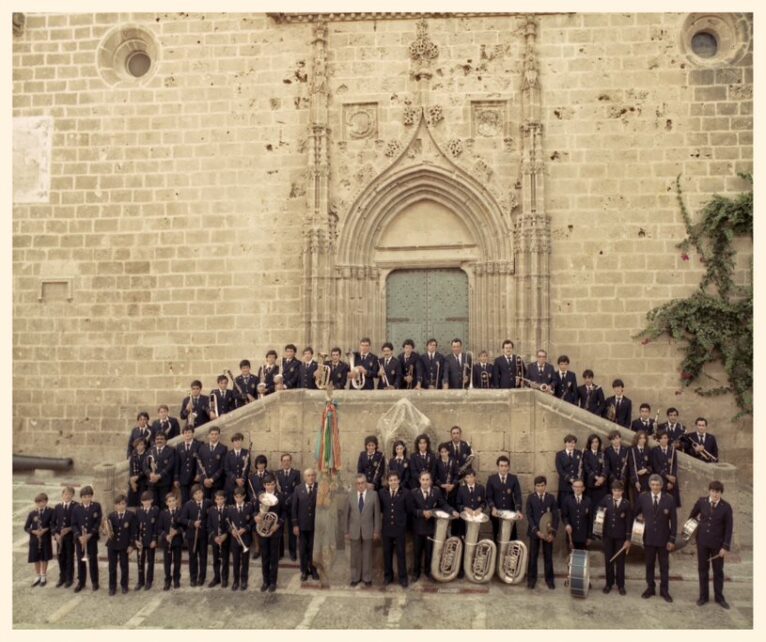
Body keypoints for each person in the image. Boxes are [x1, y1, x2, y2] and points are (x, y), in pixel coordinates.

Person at [689, 480, 733, 609]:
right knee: (703, 570)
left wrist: (725, 547)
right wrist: (693, 533)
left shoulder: (726, 507)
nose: (715, 494)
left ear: (721, 493)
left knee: (718, 571)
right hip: (702, 543)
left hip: (717, 545)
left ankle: (719, 597)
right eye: (713, 491)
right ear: (709, 491)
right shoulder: (702, 502)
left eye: (717, 492)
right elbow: (692, 517)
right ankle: (703, 597)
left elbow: (729, 528)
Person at [635, 474, 677, 602]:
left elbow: (674, 521)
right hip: (648, 538)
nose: (655, 487)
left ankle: (664, 591)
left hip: (664, 540)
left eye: (658, 485)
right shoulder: (643, 497)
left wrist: (672, 539)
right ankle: (650, 588)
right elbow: (635, 513)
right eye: (653, 485)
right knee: (649, 565)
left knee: (664, 566)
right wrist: (638, 527)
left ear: (661, 486)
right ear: (649, 485)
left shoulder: (669, 499)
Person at [409, 471, 457, 582]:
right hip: (418, 527)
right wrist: (422, 513)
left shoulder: (436, 491)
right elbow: (411, 509)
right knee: (417, 552)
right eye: (423, 480)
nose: (425, 482)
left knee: (429, 551)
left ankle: (428, 571)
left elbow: (443, 504)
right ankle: (416, 573)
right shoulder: (414, 492)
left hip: (431, 528)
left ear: (430, 481)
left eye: (427, 480)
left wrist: (452, 511)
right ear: (419, 481)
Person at [343, 474, 381, 587]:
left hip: (368, 530)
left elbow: (377, 515)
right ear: (356, 485)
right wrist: (346, 531)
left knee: (367, 554)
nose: (360, 485)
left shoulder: (373, 495)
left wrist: (376, 531)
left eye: (362, 482)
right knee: (355, 555)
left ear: (366, 483)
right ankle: (355, 577)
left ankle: (367, 577)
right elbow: (346, 515)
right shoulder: (350, 496)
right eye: (358, 483)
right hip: (353, 530)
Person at [598, 480, 632, 595]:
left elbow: (628, 522)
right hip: (608, 536)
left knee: (620, 561)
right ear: (612, 491)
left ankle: (621, 585)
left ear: (622, 492)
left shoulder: (626, 504)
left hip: (620, 537)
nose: (616, 493)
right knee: (609, 560)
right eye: (614, 490)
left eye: (619, 491)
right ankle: (609, 583)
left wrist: (628, 539)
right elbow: (599, 512)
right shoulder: (606, 500)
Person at [525, 476, 559, 590]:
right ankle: (531, 580)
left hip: (548, 533)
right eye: (538, 486)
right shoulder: (530, 498)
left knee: (548, 556)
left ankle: (549, 580)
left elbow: (555, 517)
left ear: (545, 486)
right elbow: (529, 516)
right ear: (535, 486)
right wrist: (536, 530)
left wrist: (552, 533)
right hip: (535, 532)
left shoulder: (551, 498)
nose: (540, 488)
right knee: (533, 556)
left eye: (542, 485)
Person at [255, 474, 285, 592]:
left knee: (274, 557)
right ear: (264, 485)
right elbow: (253, 511)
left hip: (274, 531)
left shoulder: (280, 497)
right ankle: (265, 581)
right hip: (262, 531)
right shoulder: (259, 497)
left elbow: (283, 513)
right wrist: (255, 517)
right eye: (268, 484)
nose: (270, 487)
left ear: (275, 484)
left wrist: (278, 524)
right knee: (264, 557)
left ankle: (273, 582)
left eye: (272, 484)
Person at [379, 472, 409, 587]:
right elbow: (381, 509)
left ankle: (403, 577)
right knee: (387, 553)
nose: (393, 482)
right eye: (390, 480)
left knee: (401, 553)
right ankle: (388, 576)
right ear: (387, 482)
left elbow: (408, 510)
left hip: (399, 529)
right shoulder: (382, 493)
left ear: (399, 481)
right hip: (386, 528)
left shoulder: (405, 493)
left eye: (395, 480)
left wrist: (404, 525)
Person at [486, 455, 524, 543]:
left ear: (508, 467)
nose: (503, 468)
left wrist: (518, 510)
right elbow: (489, 496)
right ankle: (497, 556)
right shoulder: (491, 479)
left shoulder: (513, 479)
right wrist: (493, 508)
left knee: (512, 538)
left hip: (510, 515)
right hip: (496, 514)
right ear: (498, 467)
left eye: (506, 466)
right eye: (501, 466)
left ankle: (510, 556)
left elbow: (518, 496)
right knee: (497, 537)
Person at [105, 494, 137, 596]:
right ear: (115, 505)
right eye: (118, 504)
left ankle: (124, 585)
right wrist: (105, 531)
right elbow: (107, 529)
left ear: (126, 504)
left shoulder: (131, 515)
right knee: (112, 567)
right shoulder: (111, 515)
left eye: (123, 504)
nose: (121, 506)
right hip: (112, 545)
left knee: (124, 566)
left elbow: (133, 531)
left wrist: (131, 545)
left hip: (124, 545)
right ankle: (112, 587)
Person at [181, 484, 212, 587]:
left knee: (203, 556)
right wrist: (192, 523)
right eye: (196, 494)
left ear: (203, 493)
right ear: (192, 495)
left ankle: (202, 577)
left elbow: (211, 517)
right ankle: (193, 578)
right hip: (191, 536)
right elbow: (183, 519)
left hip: (203, 535)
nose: (199, 495)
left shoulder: (208, 503)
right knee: (192, 557)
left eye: (200, 493)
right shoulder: (188, 505)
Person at [292, 468, 320, 581]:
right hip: (302, 525)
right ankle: (304, 571)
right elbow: (294, 508)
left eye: (313, 475)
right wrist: (295, 525)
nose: (311, 477)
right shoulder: (298, 489)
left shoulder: (320, 488)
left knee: (314, 549)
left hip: (315, 525)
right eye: (308, 475)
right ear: (304, 477)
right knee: (303, 549)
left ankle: (313, 570)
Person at [72, 486, 101, 592]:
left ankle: (95, 582)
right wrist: (79, 536)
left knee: (93, 560)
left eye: (89, 496)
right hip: (80, 540)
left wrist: (90, 534)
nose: (86, 499)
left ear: (92, 496)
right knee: (81, 561)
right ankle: (81, 582)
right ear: (81, 497)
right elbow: (74, 524)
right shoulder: (76, 508)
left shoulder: (96, 506)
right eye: (84, 497)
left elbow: (97, 522)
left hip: (91, 539)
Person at [226, 487, 253, 591]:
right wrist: (231, 530)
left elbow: (251, 521)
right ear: (234, 497)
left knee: (245, 561)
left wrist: (245, 528)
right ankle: (236, 581)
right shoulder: (230, 509)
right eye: (236, 497)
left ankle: (244, 580)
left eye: (240, 497)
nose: (238, 499)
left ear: (244, 497)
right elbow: (227, 523)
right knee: (236, 561)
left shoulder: (249, 507)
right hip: (235, 539)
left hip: (245, 538)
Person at [25, 492, 54, 587]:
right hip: (35, 539)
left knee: (44, 558)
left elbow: (52, 524)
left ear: (46, 502)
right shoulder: (32, 513)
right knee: (36, 558)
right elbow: (26, 527)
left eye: (41, 502)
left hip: (45, 539)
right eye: (37, 502)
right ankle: (38, 575)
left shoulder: (50, 511)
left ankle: (43, 576)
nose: (39, 504)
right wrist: (34, 532)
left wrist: (44, 530)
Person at [276, 453, 301, 560]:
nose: (286, 462)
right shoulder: (277, 473)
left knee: (292, 530)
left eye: (288, 460)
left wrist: (288, 500)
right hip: (280, 506)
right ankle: (280, 553)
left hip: (292, 506)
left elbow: (297, 489)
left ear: (290, 461)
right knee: (279, 530)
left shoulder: (296, 473)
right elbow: (276, 489)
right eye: (284, 460)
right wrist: (282, 500)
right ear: (281, 462)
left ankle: (292, 552)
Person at [52, 486, 77, 588]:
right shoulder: (57, 507)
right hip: (60, 537)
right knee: (60, 557)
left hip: (70, 537)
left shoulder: (76, 506)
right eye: (65, 494)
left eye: (69, 494)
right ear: (62, 495)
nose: (67, 496)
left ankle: (69, 578)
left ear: (72, 495)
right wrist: (55, 534)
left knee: (69, 557)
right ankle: (62, 577)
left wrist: (70, 528)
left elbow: (78, 522)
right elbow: (52, 523)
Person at [158, 492, 184, 590]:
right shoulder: (163, 513)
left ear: (176, 501)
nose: (172, 503)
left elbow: (184, 527)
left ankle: (176, 579)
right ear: (166, 503)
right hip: (167, 541)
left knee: (177, 561)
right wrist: (166, 535)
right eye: (170, 501)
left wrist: (176, 532)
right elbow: (159, 528)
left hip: (177, 540)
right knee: (167, 562)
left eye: (173, 500)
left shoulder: (180, 511)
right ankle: (167, 580)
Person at [134, 490, 159, 591]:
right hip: (141, 541)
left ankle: (149, 581)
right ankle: (140, 581)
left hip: (150, 540)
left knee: (150, 561)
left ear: (152, 500)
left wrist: (154, 539)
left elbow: (156, 526)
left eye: (148, 500)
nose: (146, 502)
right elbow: (136, 527)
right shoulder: (138, 511)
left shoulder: (155, 510)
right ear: (141, 501)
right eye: (144, 501)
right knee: (140, 562)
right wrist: (136, 540)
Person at [145, 432, 176, 509]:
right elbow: (145, 465)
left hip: (164, 483)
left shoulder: (170, 451)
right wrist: (150, 474)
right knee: (153, 504)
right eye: (157, 439)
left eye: (161, 439)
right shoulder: (150, 450)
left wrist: (159, 476)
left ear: (166, 440)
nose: (159, 440)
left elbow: (170, 465)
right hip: (152, 483)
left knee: (164, 504)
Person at [650, 431, 681, 507]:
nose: (664, 440)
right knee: (660, 505)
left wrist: (672, 480)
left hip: (672, 481)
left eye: (665, 438)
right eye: (662, 438)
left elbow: (674, 466)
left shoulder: (672, 450)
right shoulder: (655, 451)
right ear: (658, 440)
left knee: (672, 505)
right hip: (660, 481)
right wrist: (667, 476)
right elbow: (656, 467)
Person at [207, 490, 230, 588]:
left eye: (221, 499)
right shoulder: (212, 510)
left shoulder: (229, 509)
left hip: (225, 539)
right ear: (215, 500)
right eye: (217, 499)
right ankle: (217, 577)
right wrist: (214, 537)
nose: (219, 501)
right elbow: (209, 525)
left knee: (225, 559)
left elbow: (231, 525)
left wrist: (225, 535)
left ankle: (224, 578)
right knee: (216, 559)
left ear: (225, 499)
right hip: (215, 539)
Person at [198, 426, 227, 500]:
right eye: (212, 434)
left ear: (219, 435)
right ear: (208, 435)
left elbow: (222, 467)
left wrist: (212, 479)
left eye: (216, 434)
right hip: (204, 482)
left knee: (216, 504)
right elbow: (199, 465)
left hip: (217, 482)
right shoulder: (202, 448)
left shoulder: (223, 448)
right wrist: (204, 479)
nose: (214, 436)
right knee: (205, 503)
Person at [561, 480, 592, 550]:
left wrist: (589, 536)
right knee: (571, 559)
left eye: (579, 487)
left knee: (582, 559)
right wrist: (567, 524)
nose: (577, 489)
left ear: (583, 488)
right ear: (572, 488)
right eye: (575, 487)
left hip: (583, 537)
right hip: (571, 535)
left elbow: (590, 520)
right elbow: (564, 515)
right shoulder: (567, 500)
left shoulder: (588, 501)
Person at [174, 425, 201, 504]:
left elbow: (200, 461)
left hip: (194, 477)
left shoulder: (198, 445)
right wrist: (176, 478)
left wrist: (198, 473)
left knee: (195, 499)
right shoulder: (179, 446)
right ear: (183, 434)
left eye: (189, 432)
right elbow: (177, 464)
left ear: (193, 433)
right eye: (185, 433)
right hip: (183, 478)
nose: (187, 434)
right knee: (185, 500)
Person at [555, 434, 582, 508]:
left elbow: (581, 468)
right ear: (565, 443)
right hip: (565, 485)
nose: (571, 444)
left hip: (577, 486)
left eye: (573, 442)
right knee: (565, 506)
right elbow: (559, 469)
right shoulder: (559, 454)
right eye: (569, 442)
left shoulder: (579, 453)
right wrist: (569, 479)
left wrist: (577, 480)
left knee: (576, 506)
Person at [582, 434, 608, 508]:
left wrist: (602, 478)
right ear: (589, 443)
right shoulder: (586, 454)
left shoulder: (603, 454)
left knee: (601, 507)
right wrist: (596, 478)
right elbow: (586, 468)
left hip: (602, 485)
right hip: (590, 485)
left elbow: (606, 467)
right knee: (590, 506)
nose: (595, 444)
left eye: (596, 442)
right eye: (592, 442)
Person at [224, 432, 250, 503]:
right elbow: (226, 469)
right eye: (235, 441)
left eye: (239, 440)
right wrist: (235, 479)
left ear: (242, 441)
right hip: (231, 484)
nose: (237, 442)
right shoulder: (228, 454)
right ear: (233, 442)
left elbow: (247, 468)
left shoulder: (246, 453)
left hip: (242, 484)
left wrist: (242, 480)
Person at [629, 430, 652, 504]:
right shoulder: (631, 450)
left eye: (644, 438)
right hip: (636, 480)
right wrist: (636, 481)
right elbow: (631, 467)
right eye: (640, 438)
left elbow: (651, 465)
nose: (642, 440)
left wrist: (645, 470)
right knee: (636, 502)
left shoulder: (648, 450)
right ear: (637, 439)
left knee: (646, 502)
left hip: (646, 480)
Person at [127, 438, 148, 508]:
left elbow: (146, 469)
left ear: (144, 445)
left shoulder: (147, 455)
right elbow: (131, 469)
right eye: (138, 445)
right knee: (132, 501)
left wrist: (137, 477)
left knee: (141, 500)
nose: (139, 446)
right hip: (134, 480)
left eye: (141, 444)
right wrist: (132, 480)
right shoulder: (133, 455)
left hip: (143, 480)